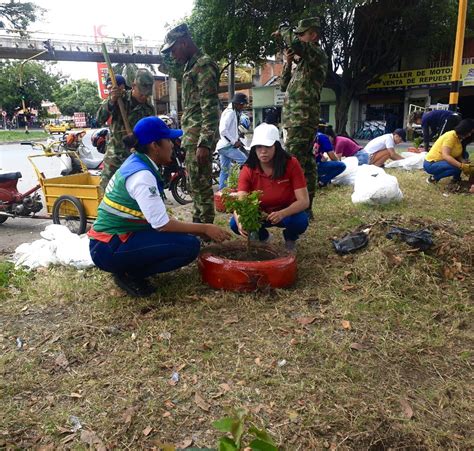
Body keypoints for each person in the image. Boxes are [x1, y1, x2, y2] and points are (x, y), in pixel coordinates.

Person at [88, 116, 231, 298]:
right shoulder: (142, 175)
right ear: (155, 145)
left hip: (115, 239)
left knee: (185, 236)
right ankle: (130, 274)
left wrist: (195, 229)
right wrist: (204, 228)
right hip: (108, 247)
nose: (172, 144)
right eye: (168, 140)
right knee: (189, 247)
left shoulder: (139, 162)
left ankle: (129, 268)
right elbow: (161, 224)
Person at [162, 23, 220, 224]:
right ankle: (200, 226)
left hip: (198, 138)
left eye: (173, 49)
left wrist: (204, 142)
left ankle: (205, 229)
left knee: (201, 185)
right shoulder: (190, 66)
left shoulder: (203, 65)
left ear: (184, 43)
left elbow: (210, 106)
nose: (172, 55)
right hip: (192, 136)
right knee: (195, 184)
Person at [272, 17, 328, 217]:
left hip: (302, 119)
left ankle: (295, 209)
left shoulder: (317, 54)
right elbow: (283, 86)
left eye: (301, 34)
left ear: (312, 35)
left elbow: (293, 42)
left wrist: (283, 27)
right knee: (306, 163)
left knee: (292, 164)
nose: (297, 38)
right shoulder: (304, 62)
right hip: (296, 120)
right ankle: (305, 207)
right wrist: (288, 63)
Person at [230, 123, 309, 252]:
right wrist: (240, 221)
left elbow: (304, 201)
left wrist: (282, 213)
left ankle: (290, 238)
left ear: (276, 146)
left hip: (286, 213)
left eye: (267, 146)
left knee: (300, 221)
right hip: (260, 214)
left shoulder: (291, 164)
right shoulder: (248, 169)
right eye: (258, 147)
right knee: (234, 224)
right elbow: (241, 202)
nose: (263, 151)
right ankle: (263, 237)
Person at [96, 70, 155, 191]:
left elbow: (150, 134)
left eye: (147, 94)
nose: (144, 97)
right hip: (115, 156)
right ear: (133, 86)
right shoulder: (119, 99)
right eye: (142, 93)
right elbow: (99, 119)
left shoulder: (149, 109)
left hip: (136, 157)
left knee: (133, 193)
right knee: (107, 191)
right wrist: (111, 100)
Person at [423, 119, 474, 184]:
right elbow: (445, 155)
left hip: (442, 161)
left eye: (471, 133)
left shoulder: (459, 138)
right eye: (469, 132)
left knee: (465, 154)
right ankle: (433, 179)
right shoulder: (450, 136)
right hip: (431, 163)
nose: (469, 135)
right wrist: (461, 166)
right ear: (463, 129)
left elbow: (457, 153)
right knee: (457, 168)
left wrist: (463, 161)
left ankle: (456, 179)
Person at [216, 92, 249, 189]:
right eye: (243, 105)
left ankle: (222, 191)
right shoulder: (230, 113)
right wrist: (234, 142)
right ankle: (243, 185)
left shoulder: (233, 111)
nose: (243, 107)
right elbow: (223, 131)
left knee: (225, 170)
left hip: (223, 146)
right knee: (245, 162)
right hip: (226, 145)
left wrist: (237, 138)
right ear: (238, 104)